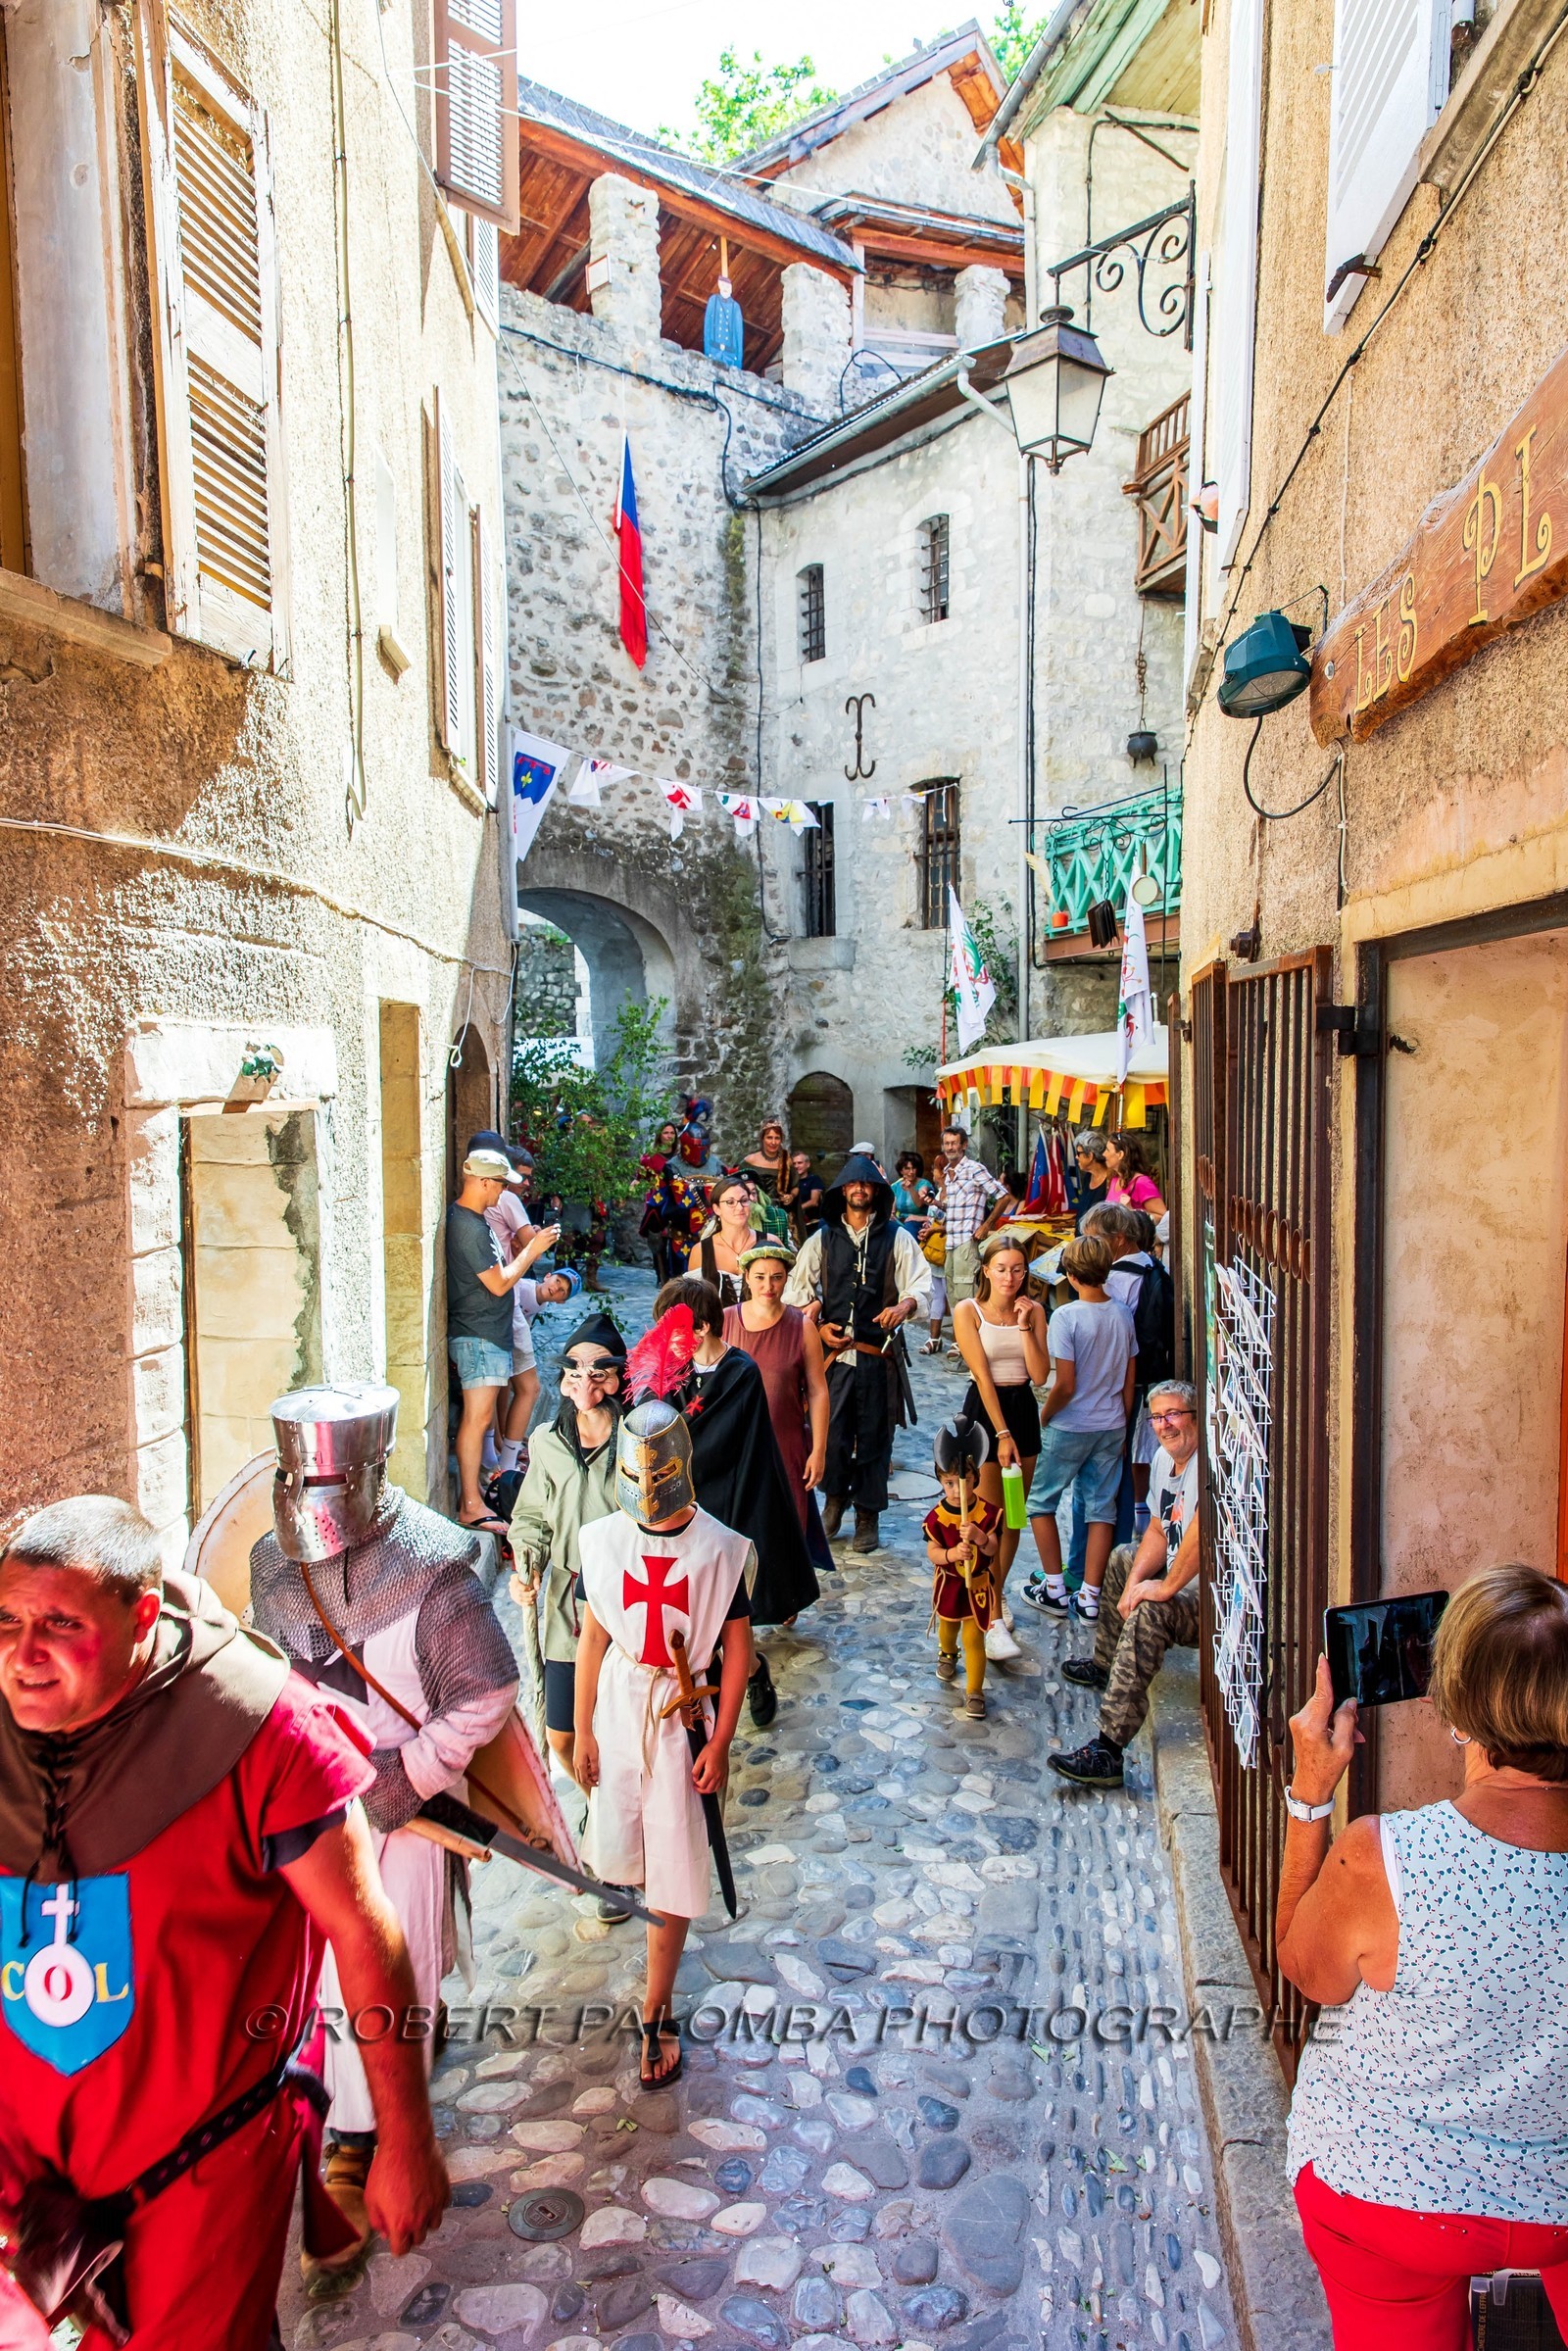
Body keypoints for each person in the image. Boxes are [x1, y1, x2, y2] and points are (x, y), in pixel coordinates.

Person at [0, 1497, 448, 2348]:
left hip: (197, 2172)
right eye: (7, 1619)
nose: (24, 1654)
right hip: (26, 2179)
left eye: (59, 1622)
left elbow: (364, 1931)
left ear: (140, 1615)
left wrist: (405, 2137)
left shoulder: (262, 1724)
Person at [248, 1385, 518, 2285]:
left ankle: (366, 2136)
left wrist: (405, 1780)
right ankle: (329, 2116)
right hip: (308, 1814)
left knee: (395, 1965)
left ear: (371, 1470)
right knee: (314, 1975)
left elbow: (486, 1691)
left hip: (399, 1813)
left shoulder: (437, 1566)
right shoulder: (271, 1562)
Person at [1277, 1564, 1568, 2347]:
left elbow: (1305, 1968)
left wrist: (1312, 1791)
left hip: (1387, 2198)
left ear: (1450, 1708)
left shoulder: (1386, 1857)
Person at [572, 1403, 753, 2089]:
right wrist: (583, 1726)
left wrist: (724, 1738)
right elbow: (592, 1637)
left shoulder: (719, 1547)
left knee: (675, 1857)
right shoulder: (603, 1541)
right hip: (622, 1704)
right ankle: (651, 1972)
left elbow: (738, 1647)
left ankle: (657, 2005)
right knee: (628, 1851)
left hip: (684, 1716)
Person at [654, 1278, 819, 1724]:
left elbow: (714, 1438)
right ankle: (710, 1695)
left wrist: (672, 1449)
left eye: (674, 1329)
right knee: (694, 1615)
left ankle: (752, 1670)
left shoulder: (741, 1372)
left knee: (728, 1614)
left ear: (703, 1326)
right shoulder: (674, 1370)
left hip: (735, 1503)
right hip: (685, 1504)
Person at [1045, 1379, 1200, 1789]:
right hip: (1176, 1569)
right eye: (1157, 1417)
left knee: (1151, 1612)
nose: (1165, 1425)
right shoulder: (1166, 1461)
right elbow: (1157, 1529)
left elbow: (1202, 1538)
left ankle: (1108, 1750)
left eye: (1174, 1415)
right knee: (1121, 1559)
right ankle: (1105, 1663)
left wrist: (1160, 1590)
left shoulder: (1207, 1468)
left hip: (1207, 1594)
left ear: (1195, 1419)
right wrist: (1134, 1584)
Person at [783, 1151, 932, 1555]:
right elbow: (796, 1290)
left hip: (878, 1355)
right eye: (853, 1184)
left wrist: (904, 1306)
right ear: (842, 1190)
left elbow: (922, 1285)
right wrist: (815, 1322)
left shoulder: (897, 1236)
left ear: (877, 1192)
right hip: (832, 1358)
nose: (860, 1190)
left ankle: (868, 1515)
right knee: (830, 1436)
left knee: (873, 1437)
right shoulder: (822, 1240)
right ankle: (833, 1502)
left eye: (867, 1185)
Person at [509, 1314, 625, 1780]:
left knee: (617, 1722)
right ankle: (597, 1811)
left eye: (599, 1370)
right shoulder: (548, 1440)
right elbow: (531, 1516)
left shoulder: (638, 1438)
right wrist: (527, 1566)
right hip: (565, 1600)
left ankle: (620, 1816)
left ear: (618, 1377)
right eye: (574, 1370)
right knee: (563, 1734)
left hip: (624, 1595)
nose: (586, 1381)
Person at [1021, 1235, 1137, 1623]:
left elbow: (1065, 1384)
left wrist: (1045, 1416)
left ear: (1069, 1274)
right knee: (1101, 1508)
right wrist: (1121, 1424)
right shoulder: (1122, 1313)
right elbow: (1128, 1377)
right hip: (1112, 1423)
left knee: (1040, 1502)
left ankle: (1054, 1587)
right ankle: (1090, 1596)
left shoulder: (1066, 1317)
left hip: (1071, 1423)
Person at [446, 1148, 561, 1540]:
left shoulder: (473, 1221)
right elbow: (498, 1282)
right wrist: (533, 1250)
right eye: (499, 1184)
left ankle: (474, 1496)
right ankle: (470, 1504)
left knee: (480, 1420)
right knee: (477, 1420)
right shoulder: (469, 1227)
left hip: (486, 1333)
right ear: (481, 1182)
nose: (504, 1194)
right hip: (478, 1334)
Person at [953, 1233, 1050, 1658]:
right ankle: (990, 1620)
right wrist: (1002, 1434)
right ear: (986, 1270)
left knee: (1013, 1516)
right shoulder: (968, 1310)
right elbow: (981, 1376)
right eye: (1002, 1268)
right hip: (986, 1413)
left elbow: (1041, 1374)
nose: (1010, 1277)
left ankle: (996, 1594)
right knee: (988, 1518)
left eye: (1018, 1269)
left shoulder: (1035, 1310)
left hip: (1022, 1408)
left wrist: (1026, 1328)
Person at [723, 1239, 831, 1577]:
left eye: (776, 1277)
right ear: (746, 1278)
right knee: (736, 1519)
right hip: (736, 1444)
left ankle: (784, 1590)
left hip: (786, 1442)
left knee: (787, 1519)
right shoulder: (725, 1322)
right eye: (759, 1277)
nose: (767, 1285)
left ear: (787, 1279)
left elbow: (817, 1391)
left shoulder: (802, 1326)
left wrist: (819, 1450)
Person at [924, 1417, 1002, 1722]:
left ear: (976, 1478)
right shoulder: (937, 1517)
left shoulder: (986, 1513)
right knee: (948, 1627)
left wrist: (981, 1538)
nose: (958, 1490)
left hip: (978, 1586)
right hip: (951, 1585)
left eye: (965, 1481)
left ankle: (974, 1690)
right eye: (950, 1484)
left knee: (974, 1637)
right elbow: (932, 1553)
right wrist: (952, 1552)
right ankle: (946, 1652)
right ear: (941, 1482)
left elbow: (993, 1550)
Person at [934, 1123, 1009, 1343]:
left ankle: (971, 1349)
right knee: (955, 1298)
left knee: (968, 1298)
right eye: (946, 1143)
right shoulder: (949, 1174)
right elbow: (956, 1208)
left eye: (954, 1143)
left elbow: (1003, 1196)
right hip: (951, 1243)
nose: (950, 1147)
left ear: (964, 1145)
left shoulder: (974, 1169)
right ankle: (961, 1345)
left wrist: (986, 1225)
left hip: (967, 1243)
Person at [689, 1172, 755, 1307]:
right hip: (718, 1327)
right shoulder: (701, 1251)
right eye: (730, 1202)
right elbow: (693, 1302)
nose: (739, 1207)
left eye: (744, 1200)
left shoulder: (769, 1242)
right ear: (717, 1208)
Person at [1104, 1129, 1166, 1221]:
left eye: (1107, 1150)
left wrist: (1133, 1213)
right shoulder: (1115, 1180)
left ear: (1120, 1154)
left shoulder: (1142, 1182)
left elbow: (1162, 1217)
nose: (1104, 1154)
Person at [782, 1148, 825, 1246]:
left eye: (800, 1163)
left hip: (811, 1224)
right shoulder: (789, 1183)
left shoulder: (814, 1180)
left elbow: (814, 1201)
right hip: (792, 1225)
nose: (797, 1166)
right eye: (794, 1163)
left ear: (808, 1164)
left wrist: (796, 1210)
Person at [1072, 1132, 1112, 1229]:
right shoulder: (1087, 1177)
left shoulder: (1110, 1182)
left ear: (1090, 1156)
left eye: (1079, 1153)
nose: (1076, 1157)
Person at [892, 1151, 934, 1232]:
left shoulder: (924, 1184)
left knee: (909, 1226)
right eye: (907, 1168)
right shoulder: (896, 1186)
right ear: (901, 1171)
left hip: (918, 1222)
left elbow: (918, 1204)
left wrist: (911, 1188)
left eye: (913, 1168)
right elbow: (892, 1210)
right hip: (901, 1221)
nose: (911, 1172)